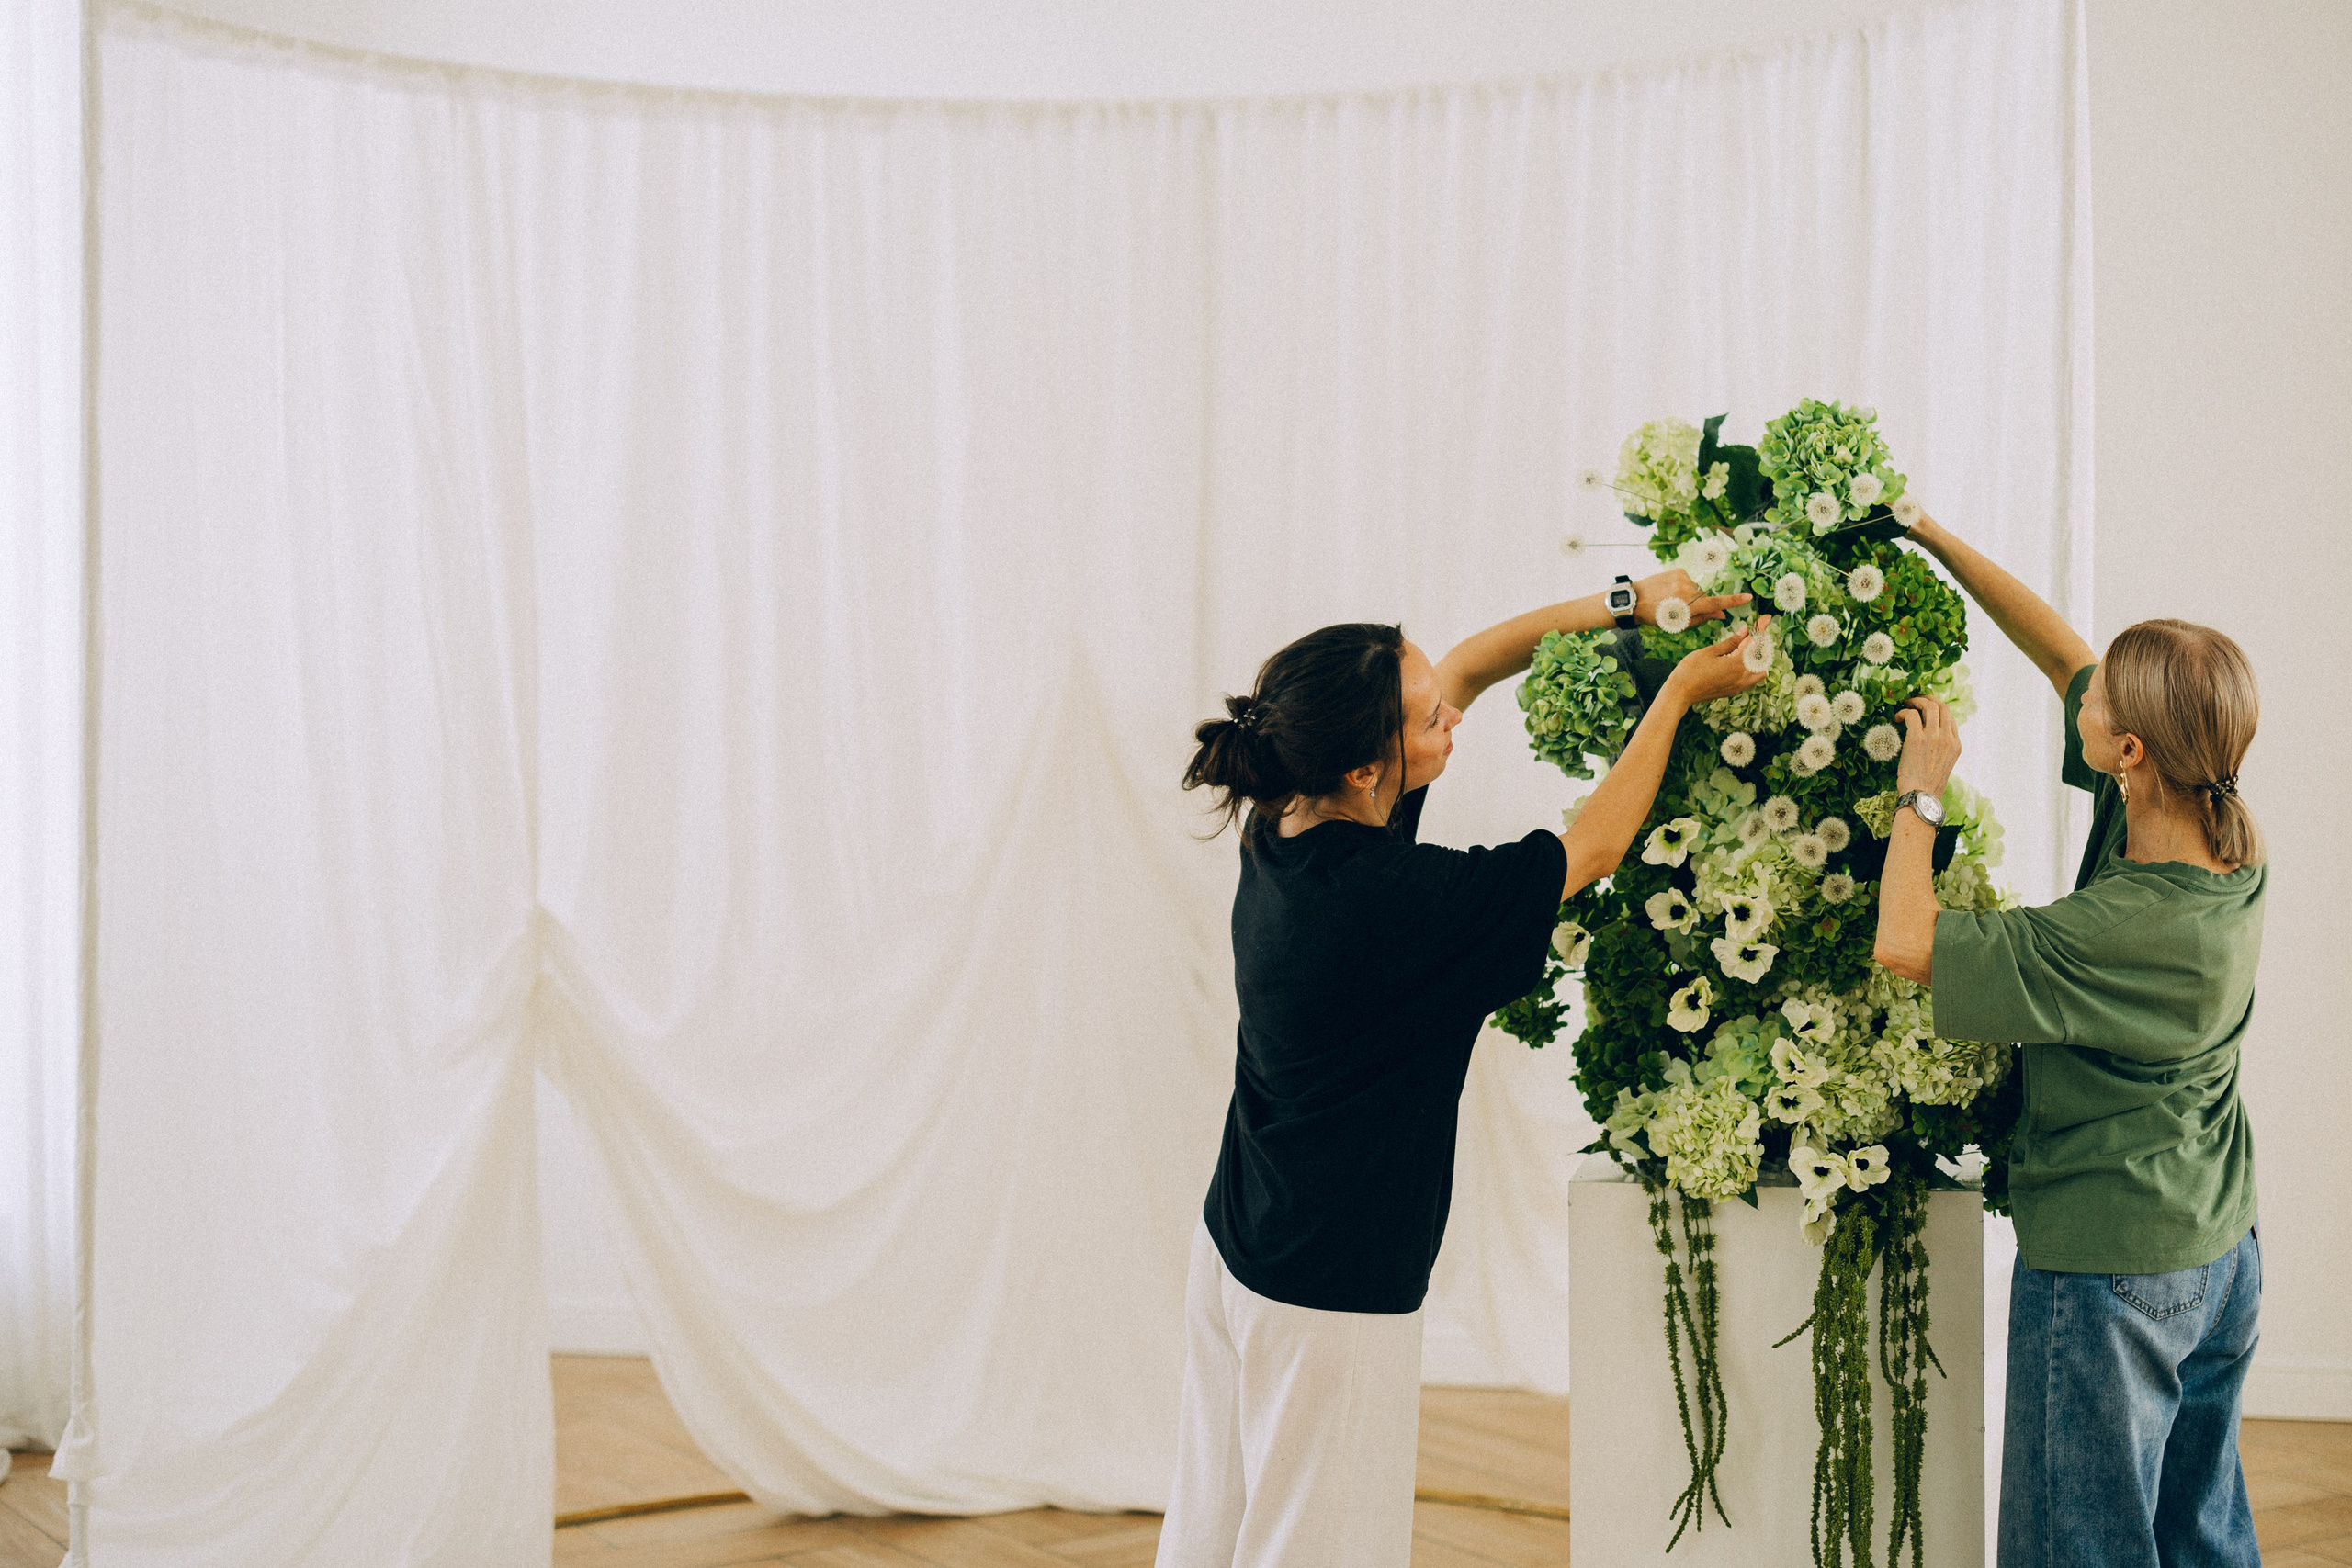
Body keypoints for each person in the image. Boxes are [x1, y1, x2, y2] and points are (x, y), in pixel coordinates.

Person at [1156, 570, 1768, 1568]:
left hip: (1243, 1242)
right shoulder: (1394, 903)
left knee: (1215, 1530)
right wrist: (1677, 697)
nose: (1450, 713)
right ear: (1364, 768)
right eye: (1425, 716)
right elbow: (1598, 845)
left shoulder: (1288, 823)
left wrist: (1630, 601)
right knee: (1316, 1549)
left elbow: (1474, 661)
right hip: (1330, 1285)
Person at [1870, 511, 2266, 1568]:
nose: (2079, 693)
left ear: (2127, 751)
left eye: (2098, 703)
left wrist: (1922, 785)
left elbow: (1906, 940)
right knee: (2199, 1536)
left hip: (2111, 1272)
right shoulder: (2221, 834)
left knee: (2077, 1548)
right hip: (2215, 1251)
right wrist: (1930, 538)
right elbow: (2062, 652)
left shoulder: (2114, 930)